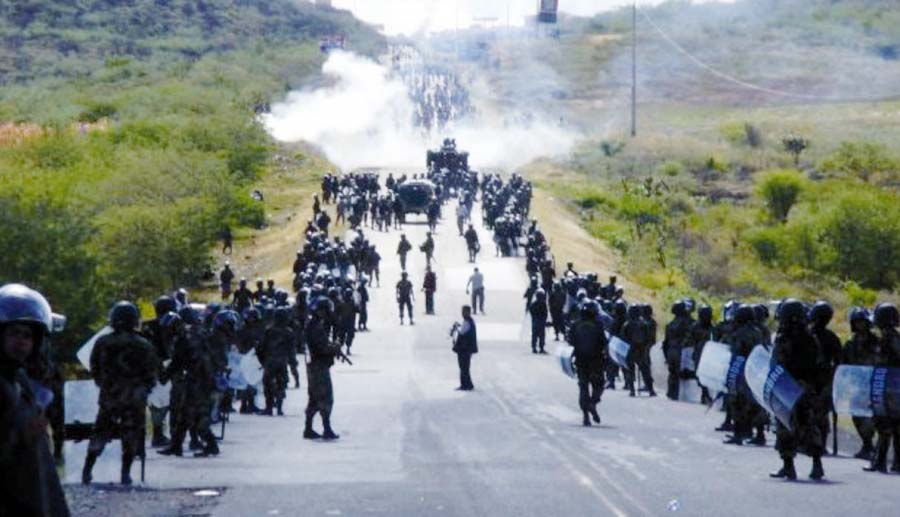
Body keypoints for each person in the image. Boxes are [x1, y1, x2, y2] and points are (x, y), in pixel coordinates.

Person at [0, 284, 69, 516]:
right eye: (14, 333)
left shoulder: (21, 380)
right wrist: (20, 436)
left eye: (27, 335)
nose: (21, 342)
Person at [83, 301, 159, 485]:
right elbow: (152, 373)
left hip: (110, 396)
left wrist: (104, 384)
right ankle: (125, 474)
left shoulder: (103, 342)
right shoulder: (144, 344)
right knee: (131, 435)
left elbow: (94, 367)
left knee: (100, 432)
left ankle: (87, 470)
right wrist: (144, 389)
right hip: (134, 398)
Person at [769, 299, 829, 481]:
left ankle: (789, 467)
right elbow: (819, 363)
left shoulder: (783, 338)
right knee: (809, 425)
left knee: (785, 425)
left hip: (787, 388)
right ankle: (817, 465)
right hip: (807, 388)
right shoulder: (811, 338)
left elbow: (777, 363)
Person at [866, 303, 900, 473]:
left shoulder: (889, 339)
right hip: (891, 387)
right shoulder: (894, 338)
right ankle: (893, 462)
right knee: (894, 425)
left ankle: (880, 461)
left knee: (884, 424)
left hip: (888, 387)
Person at [842, 307, 879, 460]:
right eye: (857, 322)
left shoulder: (876, 341)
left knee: (875, 416)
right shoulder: (851, 343)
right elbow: (844, 362)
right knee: (856, 415)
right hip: (857, 385)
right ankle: (866, 444)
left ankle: (875, 447)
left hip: (873, 384)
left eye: (862, 322)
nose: (860, 325)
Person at [304, 300, 343, 440]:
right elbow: (321, 348)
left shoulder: (312, 325)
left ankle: (308, 428)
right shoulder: (316, 328)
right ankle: (326, 429)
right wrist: (335, 348)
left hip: (314, 367)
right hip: (318, 367)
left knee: (314, 398)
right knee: (325, 398)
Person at [569, 302, 606, 426]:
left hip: (580, 361)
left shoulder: (575, 325)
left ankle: (585, 417)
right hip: (596, 361)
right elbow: (604, 343)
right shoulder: (598, 325)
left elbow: (570, 342)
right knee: (599, 384)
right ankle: (593, 403)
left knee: (583, 387)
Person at [259, 307, 295, 416]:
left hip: (270, 361)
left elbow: (262, 347)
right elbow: (291, 349)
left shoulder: (269, 330)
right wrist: (292, 362)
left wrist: (262, 361)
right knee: (281, 384)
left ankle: (269, 408)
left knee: (268, 384)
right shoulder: (289, 332)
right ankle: (279, 408)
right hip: (282, 361)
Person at [662, 301, 693, 401]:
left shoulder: (670, 324)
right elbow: (689, 337)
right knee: (680, 373)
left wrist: (665, 355)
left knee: (672, 373)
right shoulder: (688, 323)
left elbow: (665, 342)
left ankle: (671, 393)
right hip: (680, 350)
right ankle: (679, 394)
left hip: (671, 350)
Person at [452, 306, 478, 390]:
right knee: (465, 367)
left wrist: (457, 328)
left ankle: (465, 384)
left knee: (464, 367)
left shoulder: (467, 322)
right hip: (467, 348)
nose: (462, 313)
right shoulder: (469, 321)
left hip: (465, 348)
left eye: (464, 311)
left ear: (468, 312)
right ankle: (467, 384)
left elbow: (462, 332)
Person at [528, 289, 548, 354]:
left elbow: (545, 313)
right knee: (538, 335)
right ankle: (538, 348)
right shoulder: (538, 304)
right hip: (538, 321)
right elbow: (545, 313)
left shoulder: (536, 304)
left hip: (538, 321)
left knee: (537, 335)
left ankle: (537, 348)